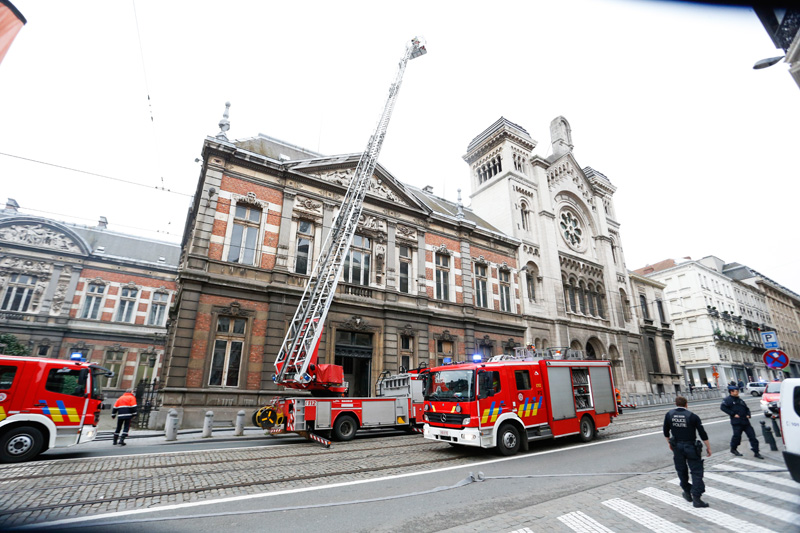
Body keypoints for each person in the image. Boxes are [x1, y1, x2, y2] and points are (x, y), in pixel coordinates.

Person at [664, 396, 712, 508]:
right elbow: (702, 433)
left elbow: (666, 431)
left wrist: (669, 443)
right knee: (696, 471)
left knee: (681, 471)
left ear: (676, 404)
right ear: (686, 404)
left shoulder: (669, 415)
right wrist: (708, 447)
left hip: (677, 447)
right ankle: (696, 497)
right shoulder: (692, 416)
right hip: (691, 447)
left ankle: (687, 491)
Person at [720, 385, 763, 459]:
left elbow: (747, 408)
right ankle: (733, 449)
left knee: (752, 437)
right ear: (731, 392)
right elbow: (723, 407)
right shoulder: (728, 400)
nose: (738, 392)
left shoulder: (740, 400)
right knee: (737, 437)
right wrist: (733, 414)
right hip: (737, 423)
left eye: (738, 391)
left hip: (745, 422)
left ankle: (756, 452)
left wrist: (748, 414)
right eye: (736, 391)